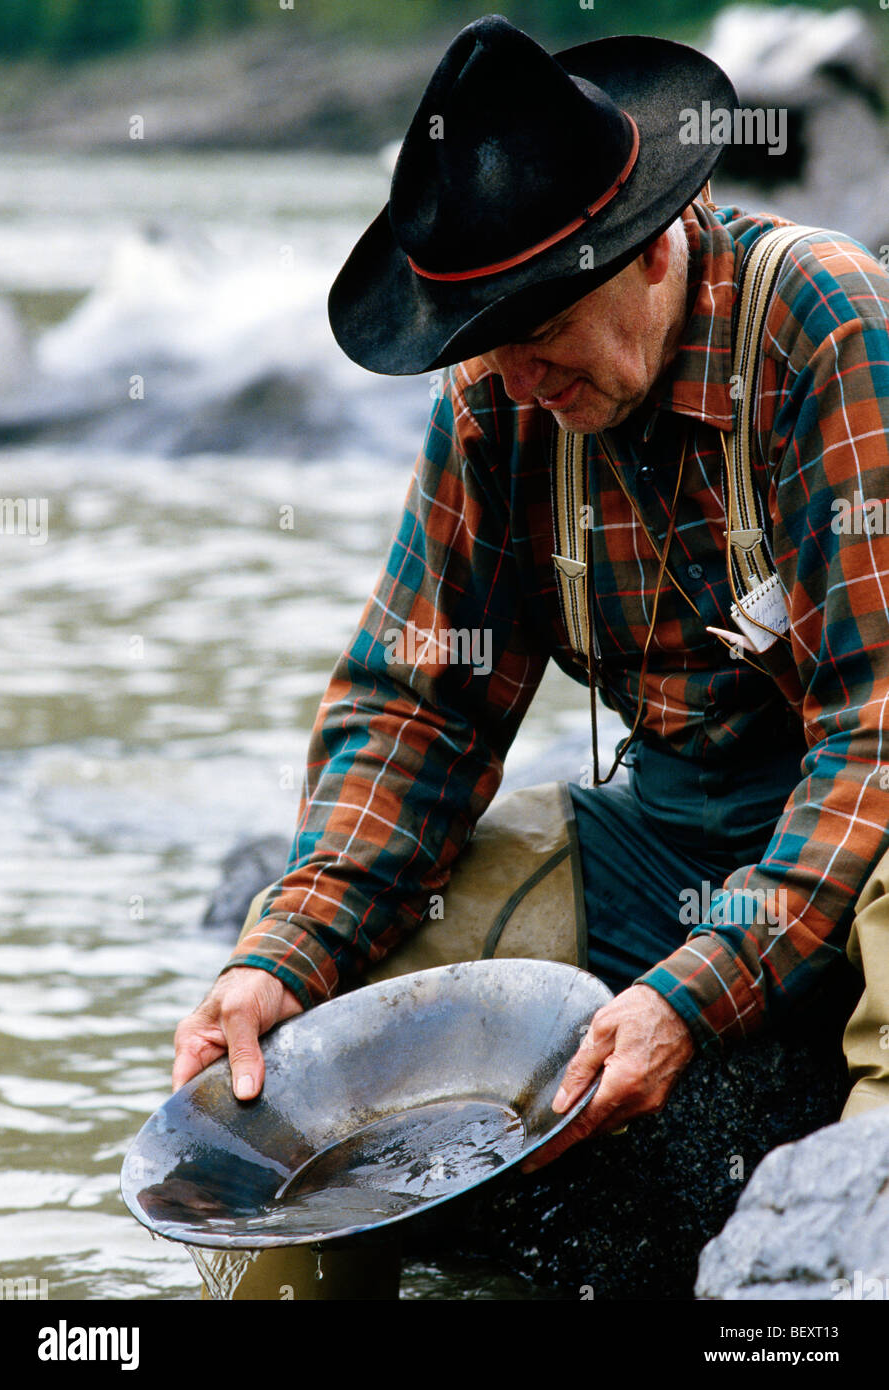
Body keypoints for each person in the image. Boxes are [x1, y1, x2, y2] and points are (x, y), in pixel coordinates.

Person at [174, 14, 889, 1232]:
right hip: (672, 845)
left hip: (862, 835)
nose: (512, 380)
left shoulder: (827, 323)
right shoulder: (498, 392)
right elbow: (417, 705)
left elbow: (875, 733)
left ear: (656, 250)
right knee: (333, 1029)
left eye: (541, 328)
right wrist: (278, 956)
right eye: (484, 344)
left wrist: (691, 995)